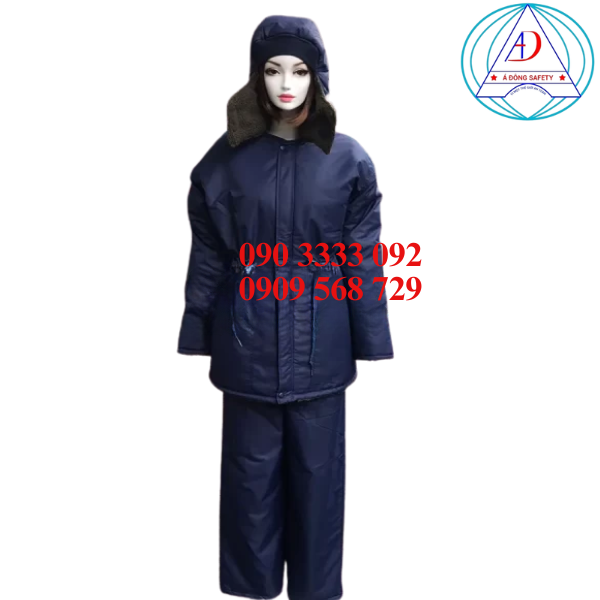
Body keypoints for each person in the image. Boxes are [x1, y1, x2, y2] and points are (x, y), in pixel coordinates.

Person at [177, 15, 394, 600]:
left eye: (299, 70)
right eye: (273, 70)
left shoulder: (347, 160)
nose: (286, 84)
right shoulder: (225, 160)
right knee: (250, 487)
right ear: (256, 76)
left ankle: (316, 592)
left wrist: (371, 337)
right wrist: (198, 329)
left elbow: (364, 257)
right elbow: (208, 254)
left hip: (322, 349)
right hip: (246, 345)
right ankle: (251, 590)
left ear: (318, 76)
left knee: (319, 485)